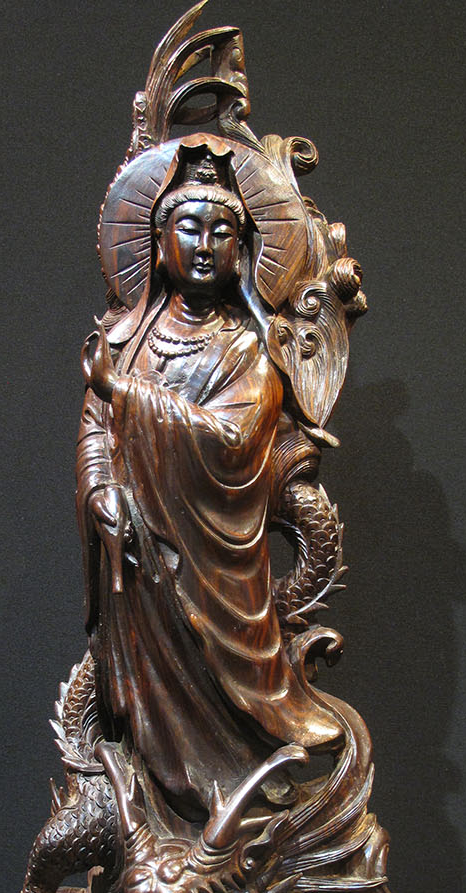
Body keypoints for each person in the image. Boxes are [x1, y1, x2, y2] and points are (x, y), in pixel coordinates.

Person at [77, 155, 349, 820]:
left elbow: (233, 440)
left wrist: (127, 394)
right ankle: (165, 802)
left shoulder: (248, 350)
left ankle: (241, 787)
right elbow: (94, 431)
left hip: (214, 566)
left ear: (242, 252)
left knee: (222, 690)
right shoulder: (124, 340)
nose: (204, 246)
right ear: (158, 243)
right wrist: (101, 489)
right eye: (190, 229)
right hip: (139, 561)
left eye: (222, 233)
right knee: (148, 702)